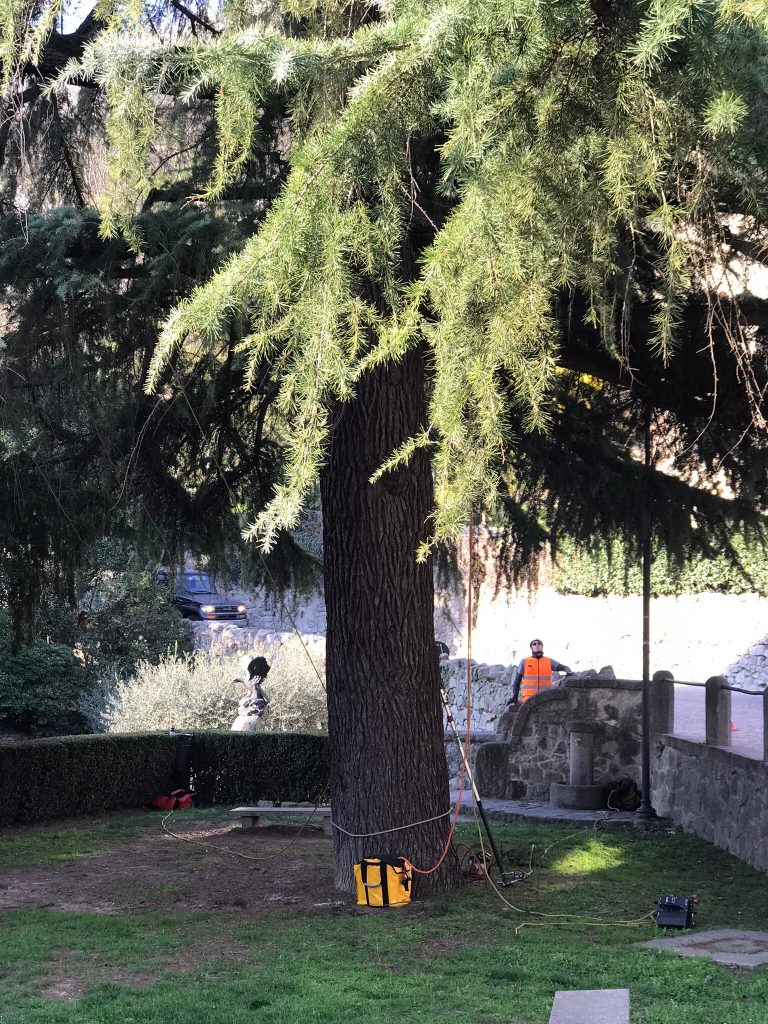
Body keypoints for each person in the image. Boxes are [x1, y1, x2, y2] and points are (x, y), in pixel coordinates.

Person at [508, 639, 572, 705]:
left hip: (545, 697)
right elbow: (517, 680)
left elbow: (565, 668)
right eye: (534, 644)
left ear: (542, 647)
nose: (537, 645)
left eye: (539, 643)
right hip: (529, 698)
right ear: (531, 647)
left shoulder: (549, 661)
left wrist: (569, 673)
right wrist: (515, 696)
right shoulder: (524, 661)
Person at [230, 655, 270, 732]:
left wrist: (255, 696)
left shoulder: (249, 678)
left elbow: (254, 689)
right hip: (252, 691)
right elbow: (249, 689)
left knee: (254, 689)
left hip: (256, 690)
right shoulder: (246, 680)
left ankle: (254, 699)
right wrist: (248, 696)